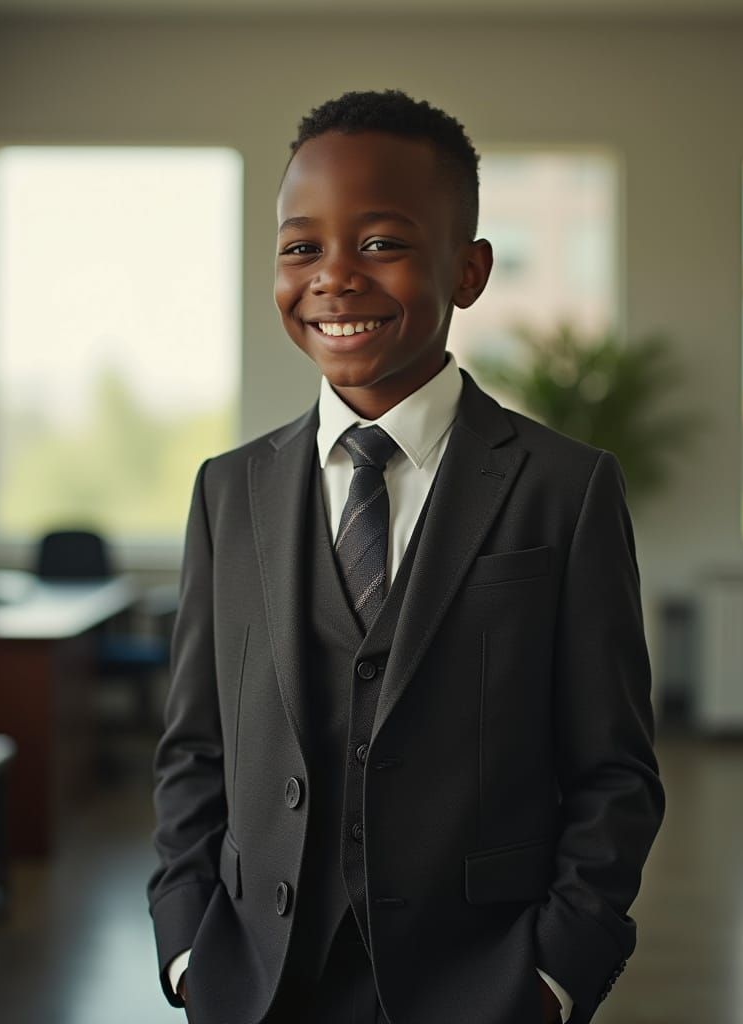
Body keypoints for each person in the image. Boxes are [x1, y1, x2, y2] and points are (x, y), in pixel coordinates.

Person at [147, 89, 665, 1024]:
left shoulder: (566, 488)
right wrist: (189, 950)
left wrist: (554, 977)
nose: (333, 278)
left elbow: (613, 771)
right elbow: (195, 748)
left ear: (469, 270)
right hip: (257, 985)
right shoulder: (228, 491)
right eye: (301, 247)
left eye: (380, 242)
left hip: (482, 983)